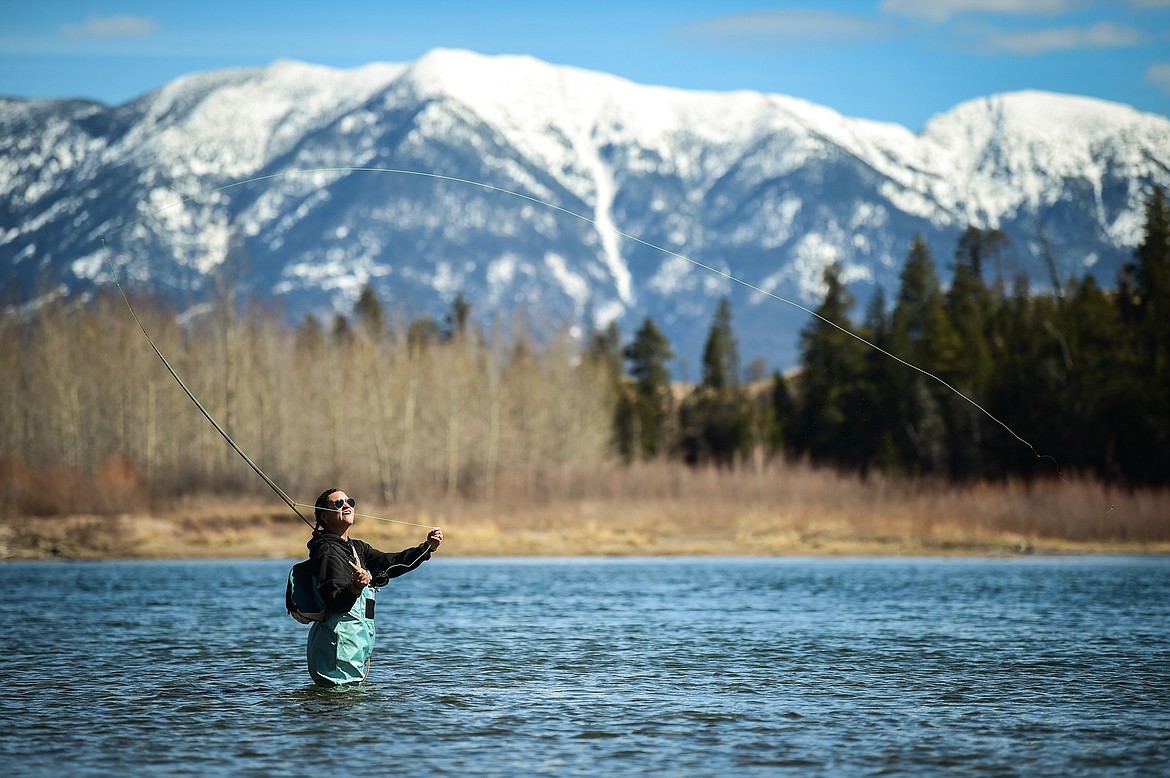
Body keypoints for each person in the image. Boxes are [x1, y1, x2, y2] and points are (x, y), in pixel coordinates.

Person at [304, 487, 442, 687]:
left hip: (355, 641)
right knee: (339, 708)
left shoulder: (356, 547)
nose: (346, 505)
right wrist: (355, 587)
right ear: (324, 516)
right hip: (337, 643)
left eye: (349, 502)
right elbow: (336, 601)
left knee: (352, 707)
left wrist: (427, 548)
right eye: (338, 503)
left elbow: (392, 564)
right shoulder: (326, 551)